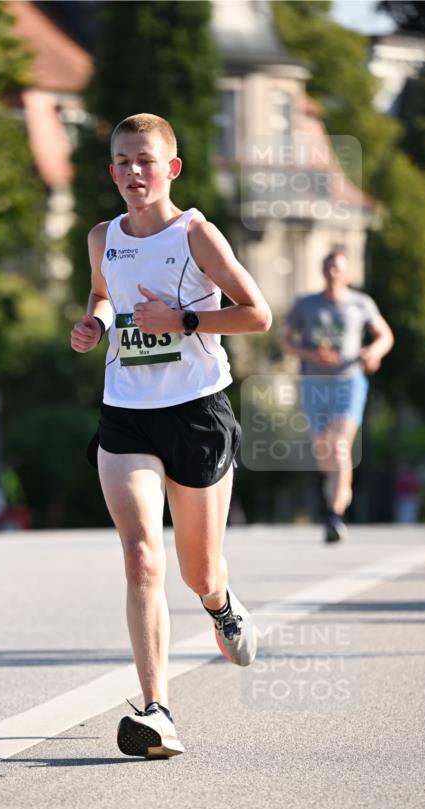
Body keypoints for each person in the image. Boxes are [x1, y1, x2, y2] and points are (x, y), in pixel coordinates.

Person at [70, 113, 272, 759]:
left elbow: (256, 314)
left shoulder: (196, 234)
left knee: (197, 570)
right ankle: (156, 711)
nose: (133, 171)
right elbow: (104, 295)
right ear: (111, 171)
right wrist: (94, 325)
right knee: (139, 555)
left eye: (145, 160)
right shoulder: (103, 237)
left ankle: (219, 603)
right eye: (123, 161)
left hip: (196, 412)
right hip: (125, 412)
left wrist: (182, 318)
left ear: (171, 169)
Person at [281, 250, 394, 543]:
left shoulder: (361, 303)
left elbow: (385, 335)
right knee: (325, 452)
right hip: (314, 383)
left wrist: (373, 352)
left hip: (349, 382)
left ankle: (334, 515)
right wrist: (311, 353)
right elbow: (285, 340)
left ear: (347, 273)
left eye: (338, 268)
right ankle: (338, 487)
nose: (333, 272)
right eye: (329, 266)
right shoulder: (306, 304)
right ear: (322, 270)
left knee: (341, 447)